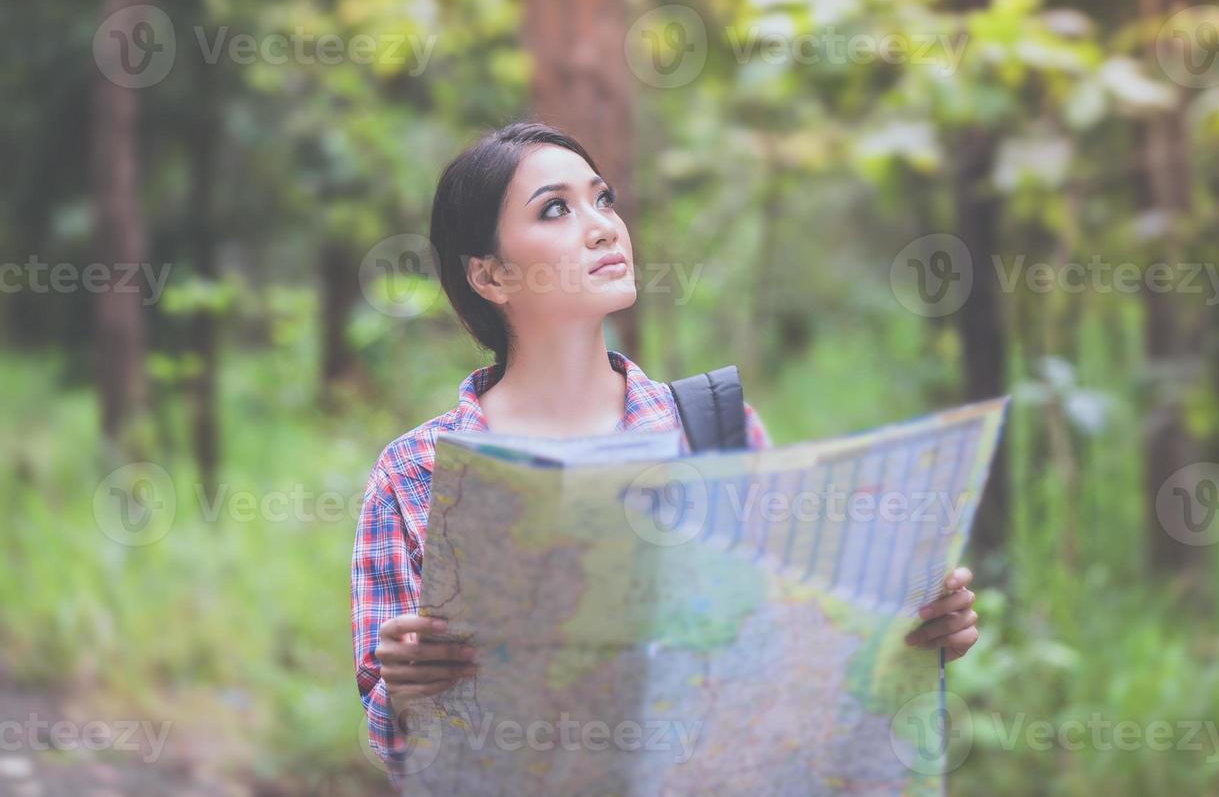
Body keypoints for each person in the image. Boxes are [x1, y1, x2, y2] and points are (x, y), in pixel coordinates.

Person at [350, 121, 981, 768]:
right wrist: (403, 688)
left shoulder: (711, 429)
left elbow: (787, 658)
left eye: (604, 199)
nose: (601, 226)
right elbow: (394, 741)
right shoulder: (416, 472)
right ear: (490, 277)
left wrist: (913, 630)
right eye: (555, 209)